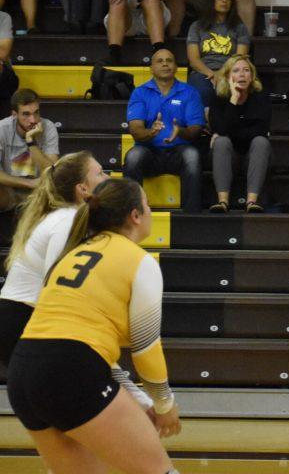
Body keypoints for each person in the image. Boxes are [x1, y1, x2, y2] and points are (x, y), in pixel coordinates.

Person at [7, 178, 181, 473]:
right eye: (148, 205)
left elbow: (86, 351)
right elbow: (146, 348)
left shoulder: (70, 256)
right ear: (135, 215)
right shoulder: (139, 261)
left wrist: (136, 398)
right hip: (70, 370)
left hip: (23, 372)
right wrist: (165, 405)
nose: (151, 211)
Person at [0, 152, 107, 365]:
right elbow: (57, 288)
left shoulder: (70, 217)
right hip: (22, 321)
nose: (108, 177)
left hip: (29, 319)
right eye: (100, 173)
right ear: (82, 189)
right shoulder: (66, 221)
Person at [123, 48, 205, 213]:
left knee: (192, 155)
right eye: (159, 61)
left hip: (178, 152)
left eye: (169, 60)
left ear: (176, 67)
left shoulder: (189, 92)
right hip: (149, 151)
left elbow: (195, 129)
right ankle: (131, 212)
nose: (165, 64)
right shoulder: (140, 92)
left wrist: (180, 131)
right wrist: (150, 132)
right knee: (133, 156)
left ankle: (192, 215)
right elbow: (135, 129)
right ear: (151, 68)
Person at [208, 54, 272, 213]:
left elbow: (261, 130)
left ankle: (251, 202)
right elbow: (221, 130)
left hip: (255, 156)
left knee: (260, 142)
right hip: (228, 157)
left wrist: (230, 131)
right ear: (228, 77)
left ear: (252, 76)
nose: (242, 74)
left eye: (246, 70)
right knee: (222, 142)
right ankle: (223, 202)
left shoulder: (261, 98)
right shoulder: (219, 99)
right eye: (236, 71)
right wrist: (234, 100)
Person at [186, 0, 251, 108]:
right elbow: (194, 60)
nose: (224, 0)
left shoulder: (240, 27)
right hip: (203, 72)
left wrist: (222, 74)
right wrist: (212, 74)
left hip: (231, 71)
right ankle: (203, 125)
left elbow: (239, 58)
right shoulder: (196, 26)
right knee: (202, 90)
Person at [0, 89, 61, 213]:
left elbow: (51, 171)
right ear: (14, 114)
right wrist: (30, 183)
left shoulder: (48, 128)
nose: (33, 120)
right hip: (9, 192)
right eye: (26, 114)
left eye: (36, 113)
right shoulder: (2, 129)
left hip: (40, 193)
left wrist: (31, 142)